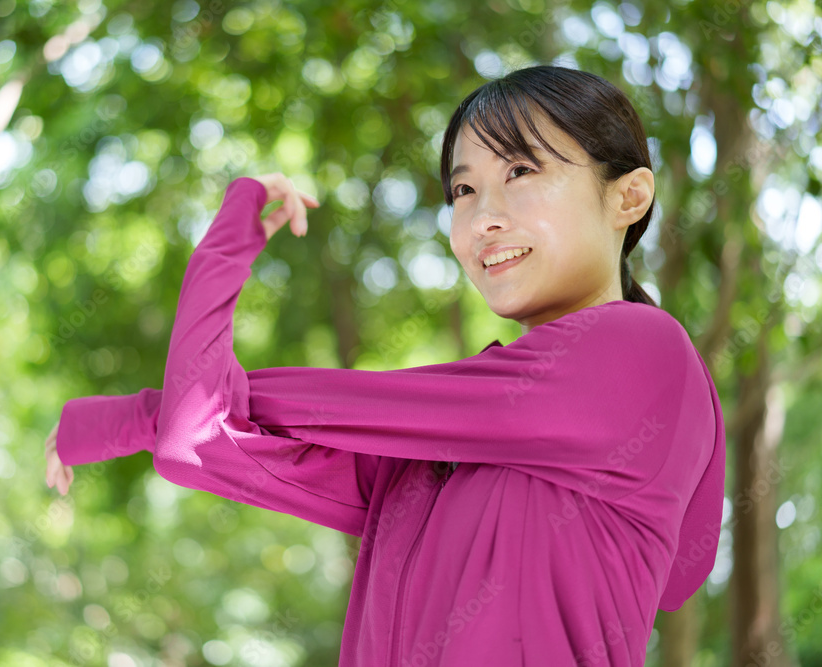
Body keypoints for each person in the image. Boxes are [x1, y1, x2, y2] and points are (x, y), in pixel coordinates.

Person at [44, 65, 726, 666]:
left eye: (521, 171)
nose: (483, 217)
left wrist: (116, 420)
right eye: (463, 189)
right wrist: (233, 234)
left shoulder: (646, 352)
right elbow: (201, 434)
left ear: (628, 197)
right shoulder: (427, 454)